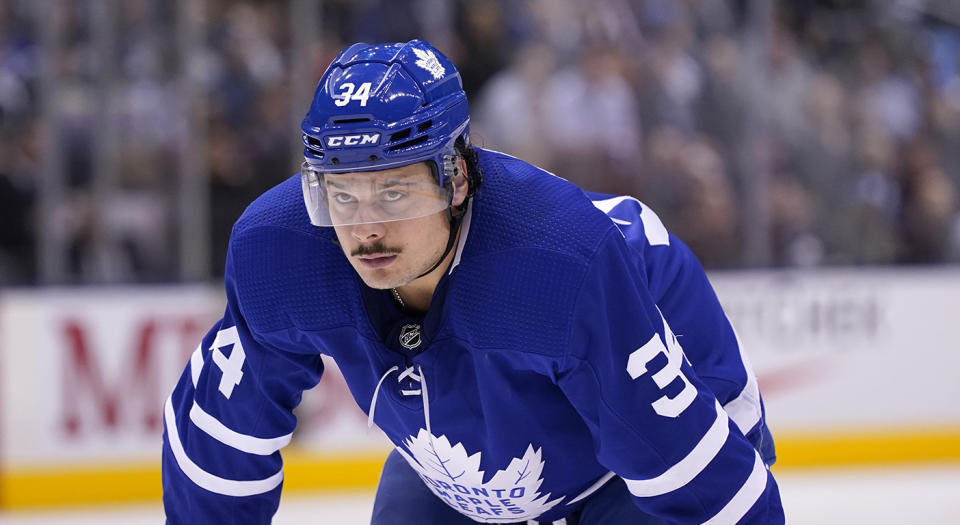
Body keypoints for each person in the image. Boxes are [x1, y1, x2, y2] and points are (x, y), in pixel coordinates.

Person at [161, 40, 784, 524]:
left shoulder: (560, 267)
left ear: (457, 180)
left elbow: (692, 470)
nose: (366, 230)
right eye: (341, 197)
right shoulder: (284, 252)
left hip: (651, 449)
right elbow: (219, 441)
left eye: (395, 191)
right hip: (465, 473)